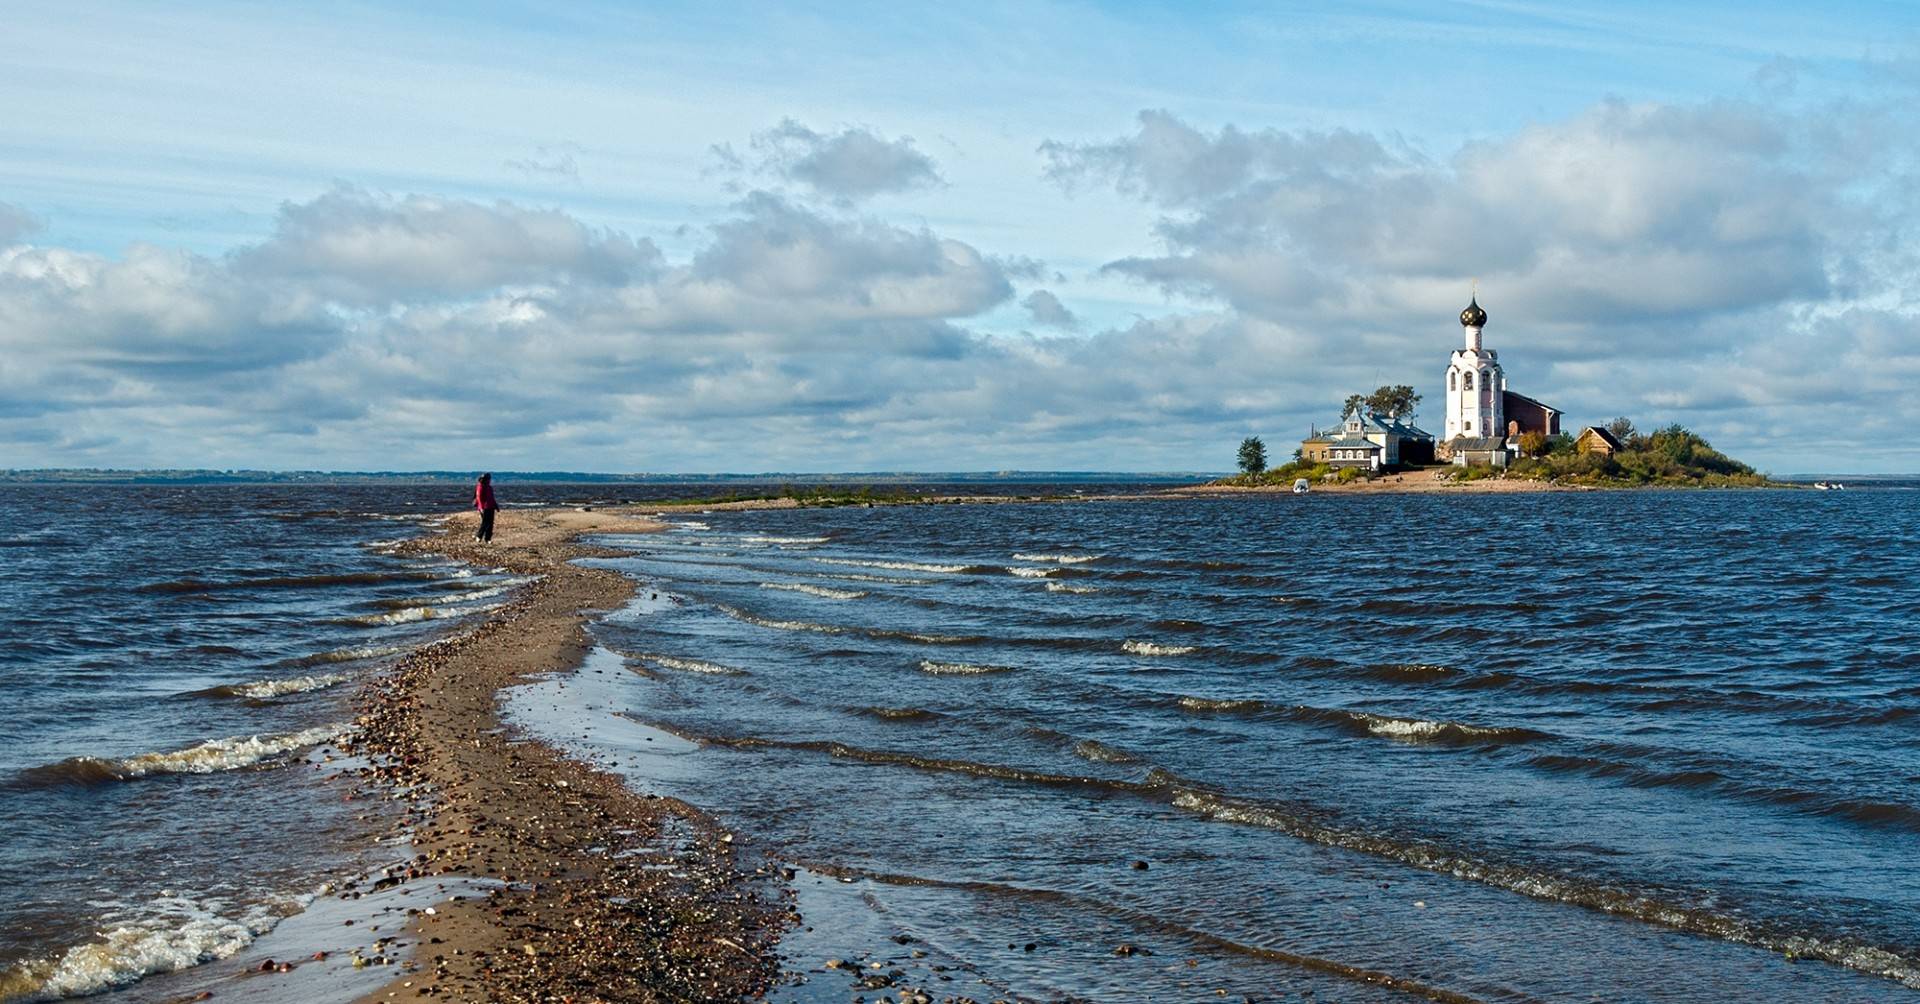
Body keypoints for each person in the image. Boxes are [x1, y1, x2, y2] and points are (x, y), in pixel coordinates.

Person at [474, 473, 499, 542]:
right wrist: (481, 508)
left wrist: (496, 506)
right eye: (489, 479)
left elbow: (492, 498)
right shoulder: (480, 487)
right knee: (485, 522)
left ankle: (488, 539)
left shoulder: (489, 487)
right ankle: (479, 536)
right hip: (484, 507)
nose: (489, 480)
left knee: (490, 523)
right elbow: (479, 498)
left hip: (491, 507)